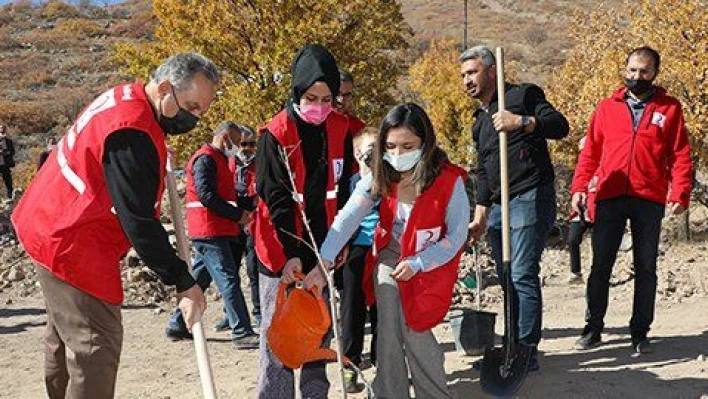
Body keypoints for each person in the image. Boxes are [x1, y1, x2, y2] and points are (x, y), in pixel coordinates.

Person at [11, 52, 216, 399]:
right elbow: (138, 220)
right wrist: (183, 280)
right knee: (95, 345)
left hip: (46, 220)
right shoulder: (132, 130)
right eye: (192, 107)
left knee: (63, 335)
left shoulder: (129, 97)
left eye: (202, 112)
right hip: (72, 239)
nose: (195, 119)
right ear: (165, 88)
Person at [320, 103, 469, 398]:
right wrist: (324, 259)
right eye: (390, 146)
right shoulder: (381, 173)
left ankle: (434, 393)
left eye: (407, 146)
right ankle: (390, 392)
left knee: (415, 326)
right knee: (387, 319)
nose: (398, 155)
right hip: (391, 252)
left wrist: (420, 262)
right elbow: (349, 216)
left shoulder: (449, 181)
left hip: (432, 258)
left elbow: (456, 235)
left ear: (424, 144)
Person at [571, 46, 692, 354]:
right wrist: (579, 188)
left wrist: (680, 192)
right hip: (610, 196)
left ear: (655, 74)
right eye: (633, 70)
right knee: (601, 265)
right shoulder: (606, 108)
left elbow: (680, 155)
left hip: (648, 197)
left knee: (646, 266)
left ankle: (640, 332)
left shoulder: (670, 109)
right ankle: (593, 328)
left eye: (645, 72)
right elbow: (590, 153)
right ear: (625, 70)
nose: (637, 77)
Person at [254, 43, 354, 398]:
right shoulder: (276, 135)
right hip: (279, 251)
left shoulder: (340, 130)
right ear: (297, 91)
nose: (321, 107)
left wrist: (332, 252)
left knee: (315, 335)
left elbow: (346, 195)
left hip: (322, 249)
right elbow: (276, 201)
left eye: (328, 99)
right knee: (279, 337)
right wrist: (290, 257)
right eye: (312, 97)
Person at [463, 45, 569, 371]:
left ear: (492, 71)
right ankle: (510, 344)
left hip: (529, 195)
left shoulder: (523, 95)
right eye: (463, 75)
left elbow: (559, 125)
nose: (466, 80)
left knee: (522, 272)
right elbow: (483, 171)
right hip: (497, 207)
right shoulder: (479, 121)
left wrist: (522, 121)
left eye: (472, 72)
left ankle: (526, 349)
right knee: (507, 275)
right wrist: (480, 214)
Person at [165, 121, 258, 348]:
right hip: (210, 230)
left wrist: (248, 203)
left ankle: (177, 324)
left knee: (199, 279)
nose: (238, 147)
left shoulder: (217, 159)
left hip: (214, 230)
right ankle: (242, 331)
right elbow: (207, 197)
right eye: (236, 141)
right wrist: (238, 215)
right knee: (228, 280)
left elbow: (224, 196)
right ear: (225, 137)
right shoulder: (205, 159)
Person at [335, 127, 379, 392]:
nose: (373, 155)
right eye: (369, 149)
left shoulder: (391, 180)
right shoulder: (349, 183)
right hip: (356, 248)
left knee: (383, 309)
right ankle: (349, 363)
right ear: (357, 152)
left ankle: (383, 363)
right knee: (352, 306)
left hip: (384, 247)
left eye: (378, 149)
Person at [215, 124, 261, 331]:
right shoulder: (227, 162)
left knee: (254, 269)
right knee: (229, 271)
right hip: (233, 219)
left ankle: (259, 312)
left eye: (252, 144)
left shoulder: (260, 164)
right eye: (243, 144)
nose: (247, 148)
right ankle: (230, 314)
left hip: (253, 219)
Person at [567, 137, 596, 284]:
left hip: (596, 209)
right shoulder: (579, 167)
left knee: (597, 244)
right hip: (580, 210)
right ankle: (575, 272)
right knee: (573, 239)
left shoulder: (602, 164)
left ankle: (597, 273)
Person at [336, 70, 367, 138]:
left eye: (346, 95)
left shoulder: (359, 128)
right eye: (337, 93)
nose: (340, 100)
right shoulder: (315, 121)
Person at [0, 125, 16, 198]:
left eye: (3, 128)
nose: (2, 130)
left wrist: (7, 153)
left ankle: (10, 197)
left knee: (8, 182)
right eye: (1, 128)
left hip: (5, 164)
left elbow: (12, 151)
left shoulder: (9, 141)